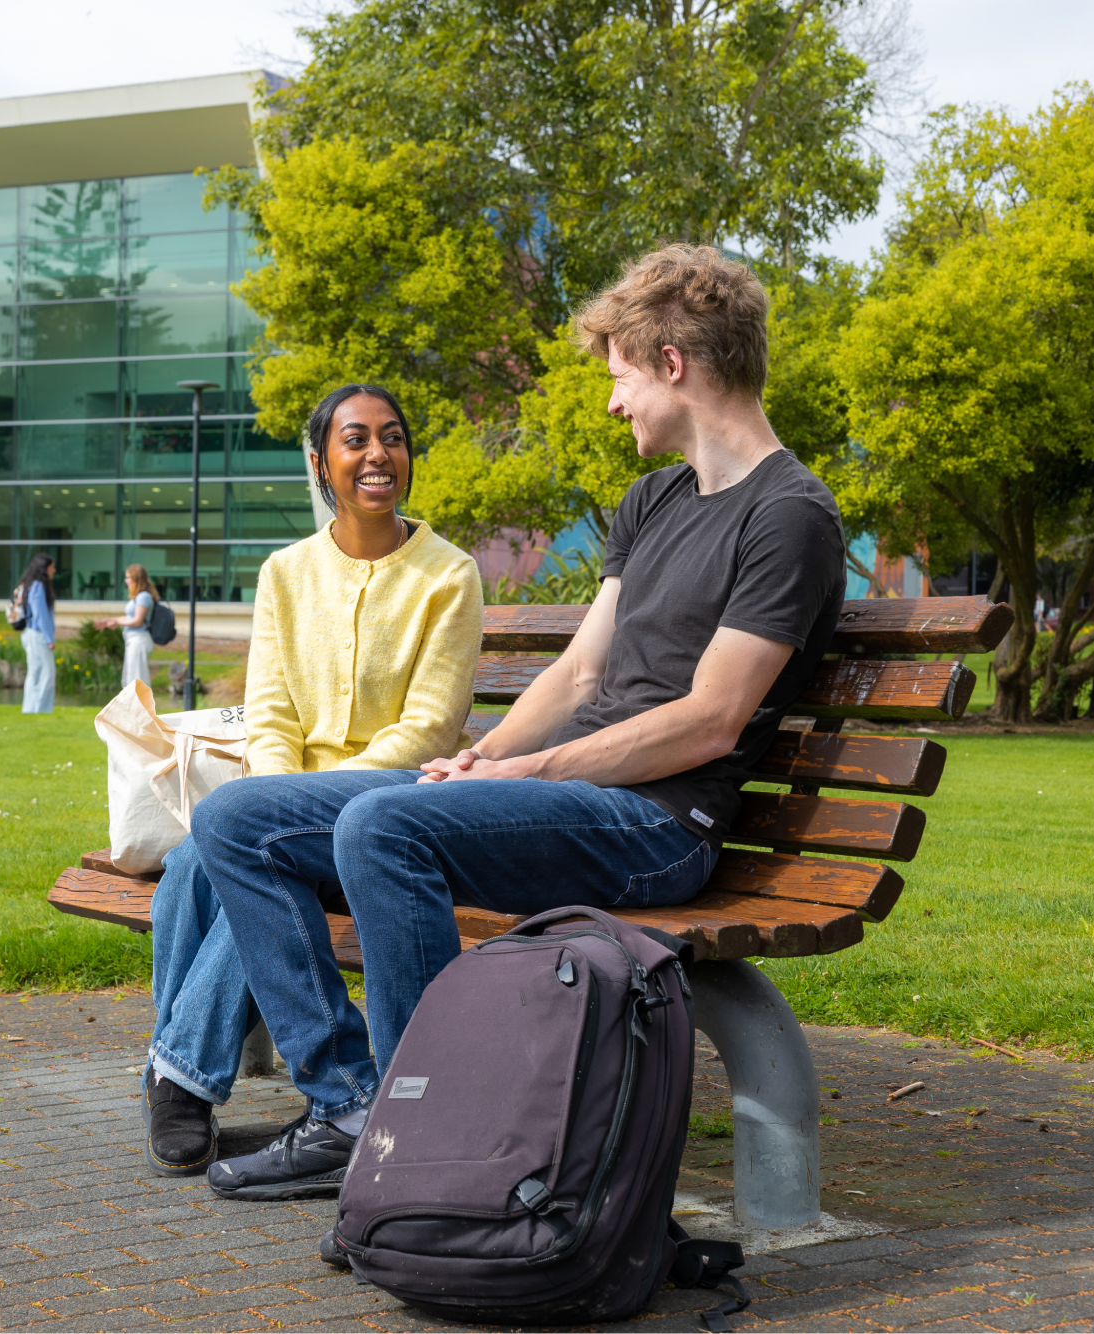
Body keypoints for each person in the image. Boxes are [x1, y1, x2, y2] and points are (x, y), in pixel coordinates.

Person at [185, 244, 847, 1201]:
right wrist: (481, 758)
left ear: (672, 364)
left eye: (621, 377)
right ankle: (352, 1108)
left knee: (381, 826)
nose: (615, 403)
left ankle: (429, 1137)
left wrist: (523, 778)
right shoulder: (654, 498)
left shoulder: (789, 515)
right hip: (572, 793)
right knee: (238, 820)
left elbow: (710, 721)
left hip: (658, 822)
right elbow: (581, 670)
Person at [140, 384, 483, 1178]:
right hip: (290, 795)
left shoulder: (448, 575)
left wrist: (298, 812)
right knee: (201, 859)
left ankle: (178, 1076)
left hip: (394, 801)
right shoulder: (286, 573)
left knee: (241, 850)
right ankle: (179, 1070)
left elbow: (429, 727)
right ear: (323, 462)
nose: (376, 455)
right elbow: (271, 715)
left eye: (391, 438)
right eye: (355, 440)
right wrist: (275, 798)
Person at [96, 565, 159, 690]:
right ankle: (132, 708)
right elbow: (129, 617)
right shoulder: (138, 597)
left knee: (138, 679)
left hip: (139, 640)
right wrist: (110, 620)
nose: (126, 580)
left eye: (128, 577)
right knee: (129, 678)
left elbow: (137, 621)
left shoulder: (143, 596)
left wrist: (117, 623)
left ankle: (142, 708)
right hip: (132, 640)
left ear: (136, 579)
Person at [17, 553, 57, 715]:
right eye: (52, 567)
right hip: (37, 635)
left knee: (35, 673)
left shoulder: (30, 584)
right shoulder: (39, 586)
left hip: (31, 634)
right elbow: (41, 614)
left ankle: (31, 709)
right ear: (45, 568)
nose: (54, 570)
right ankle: (40, 710)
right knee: (46, 674)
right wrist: (49, 638)